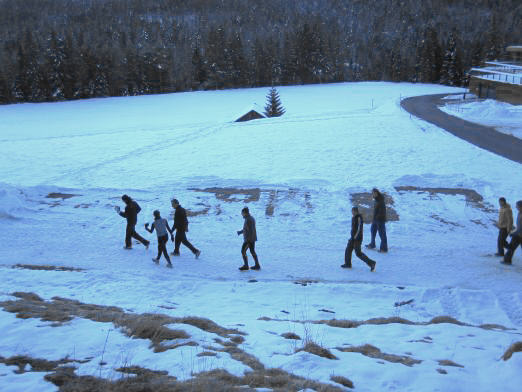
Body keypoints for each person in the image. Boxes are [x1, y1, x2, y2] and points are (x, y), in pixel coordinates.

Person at [342, 207, 376, 271]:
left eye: (353, 211)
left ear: (356, 211)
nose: (352, 213)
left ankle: (371, 263)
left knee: (358, 253)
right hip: (353, 238)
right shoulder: (353, 218)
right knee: (348, 249)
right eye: (352, 211)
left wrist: (355, 237)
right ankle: (348, 264)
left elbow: (359, 229)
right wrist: (352, 237)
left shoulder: (359, 218)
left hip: (357, 239)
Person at [366, 188, 388, 252]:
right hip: (375, 219)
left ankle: (384, 248)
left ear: (377, 193)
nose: (372, 194)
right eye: (372, 193)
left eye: (374, 193)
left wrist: (378, 217)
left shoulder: (381, 201)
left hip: (380, 220)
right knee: (372, 231)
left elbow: (383, 211)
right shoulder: (376, 200)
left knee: (382, 234)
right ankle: (372, 244)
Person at [503, 200, 522, 265]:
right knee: (511, 248)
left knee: (511, 248)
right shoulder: (519, 213)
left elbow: (520, 228)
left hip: (519, 235)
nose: (516, 207)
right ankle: (507, 260)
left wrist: (513, 233)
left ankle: (507, 261)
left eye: (517, 206)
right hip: (518, 234)